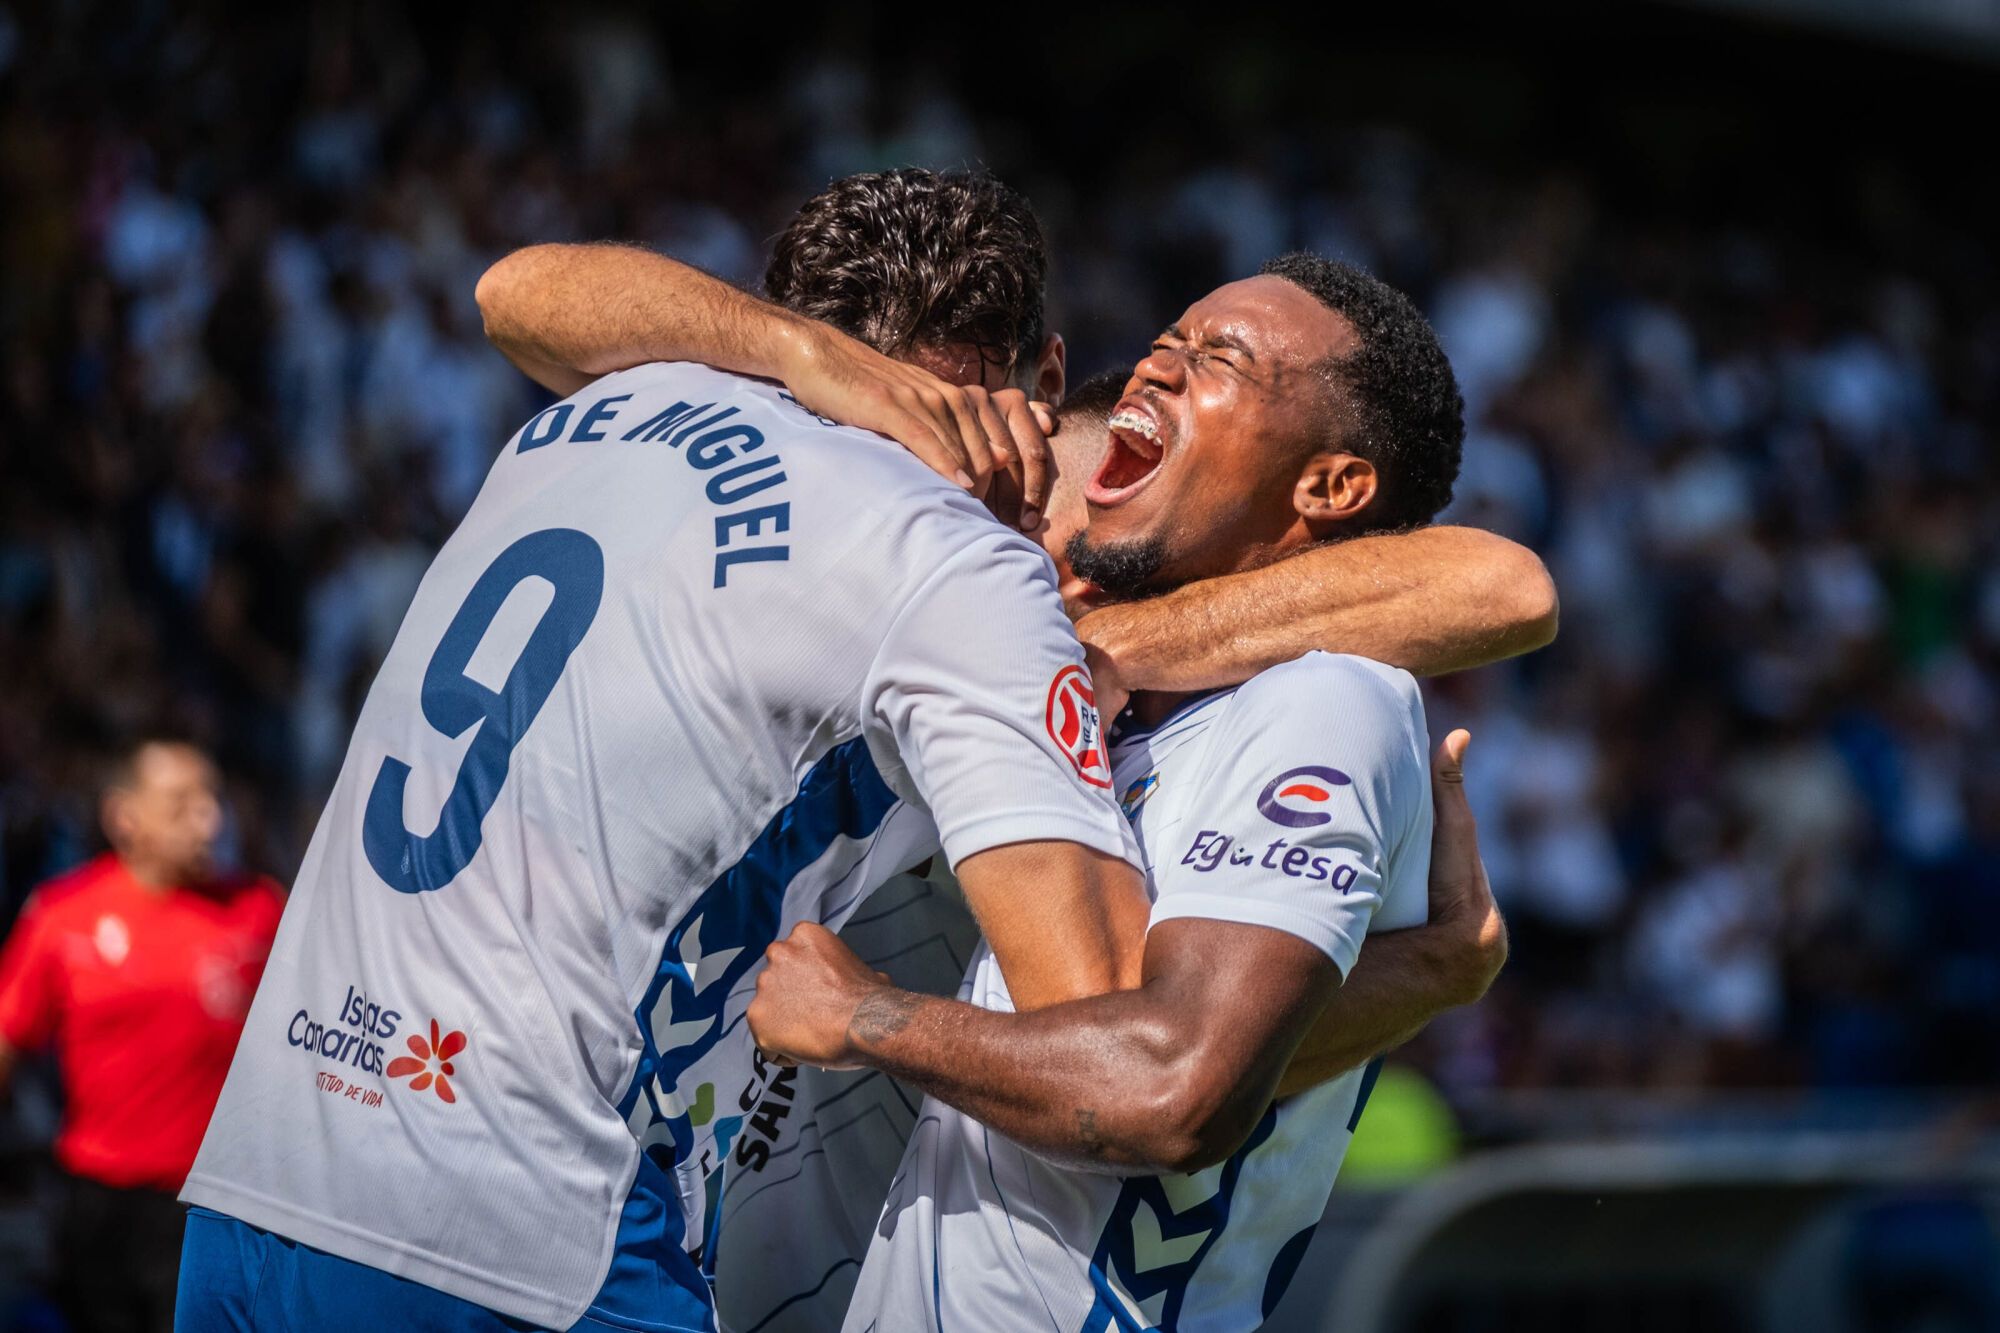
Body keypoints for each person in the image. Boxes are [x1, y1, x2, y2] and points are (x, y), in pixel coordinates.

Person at [473, 168, 1532, 1329]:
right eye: (1164, 342)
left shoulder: (1289, 699)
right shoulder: (893, 563)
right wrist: (803, 357)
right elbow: (523, 292)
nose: (1031, 559)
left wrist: (1115, 642)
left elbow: (1499, 582)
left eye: (1216, 359)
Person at [745, 254, 1468, 1330]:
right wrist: (1436, 967)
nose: (1158, 370)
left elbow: (1175, 1089)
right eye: (1164, 342)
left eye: (1216, 356)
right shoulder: (1130, 713)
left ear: (1328, 486)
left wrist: (868, 1019)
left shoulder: (1324, 703)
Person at [0, 739, 282, 1333]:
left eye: (213, 798)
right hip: (93, 1203)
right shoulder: (62, 916)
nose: (208, 818)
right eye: (181, 802)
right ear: (125, 816)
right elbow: (9, 1038)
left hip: (210, 1208)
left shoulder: (259, 913)